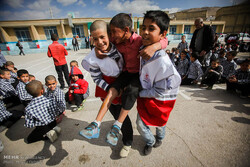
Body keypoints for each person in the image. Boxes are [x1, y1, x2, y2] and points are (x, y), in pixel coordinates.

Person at [80, 12, 168, 148]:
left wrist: (155, 46)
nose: (112, 36)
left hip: (138, 75)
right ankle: (96, 124)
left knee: (132, 92)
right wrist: (96, 48)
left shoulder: (140, 41)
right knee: (112, 90)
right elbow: (103, 42)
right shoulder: (116, 41)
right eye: (111, 33)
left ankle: (118, 125)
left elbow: (163, 40)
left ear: (126, 30)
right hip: (125, 73)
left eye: (114, 33)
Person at [80, 20, 133, 157]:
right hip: (107, 86)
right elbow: (96, 78)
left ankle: (127, 142)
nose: (100, 42)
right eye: (95, 39)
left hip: (124, 82)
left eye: (102, 37)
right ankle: (107, 128)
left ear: (110, 35)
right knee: (115, 113)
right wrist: (108, 87)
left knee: (123, 118)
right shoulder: (92, 58)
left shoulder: (119, 44)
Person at [135, 10, 181, 156]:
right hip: (147, 92)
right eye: (143, 27)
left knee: (160, 122)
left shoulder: (162, 62)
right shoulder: (143, 46)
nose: (145, 32)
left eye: (151, 28)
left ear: (163, 34)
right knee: (141, 123)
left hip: (161, 99)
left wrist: (139, 93)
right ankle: (150, 141)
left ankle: (159, 137)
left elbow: (160, 92)